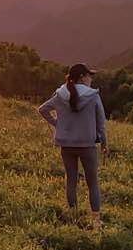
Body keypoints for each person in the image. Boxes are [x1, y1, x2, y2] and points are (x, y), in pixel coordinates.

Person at [37, 63, 108, 229]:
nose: (91, 79)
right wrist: (104, 144)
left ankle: (73, 216)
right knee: (92, 183)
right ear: (82, 77)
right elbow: (101, 123)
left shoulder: (61, 94)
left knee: (71, 180)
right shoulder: (93, 96)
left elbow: (42, 109)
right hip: (87, 145)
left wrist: (57, 124)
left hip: (66, 144)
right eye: (89, 75)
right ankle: (96, 221)